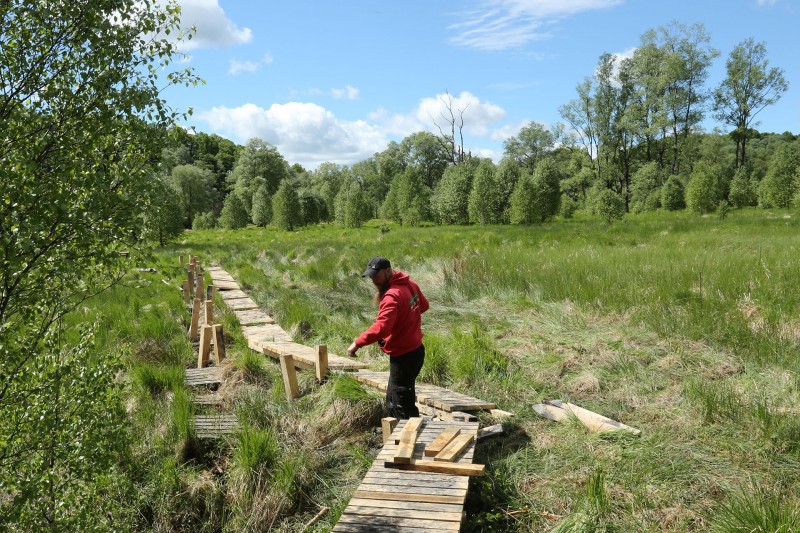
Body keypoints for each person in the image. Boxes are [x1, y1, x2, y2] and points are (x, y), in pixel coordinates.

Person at [347, 256, 429, 419]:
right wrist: (406, 322)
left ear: (387, 271)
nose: (373, 280)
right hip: (416, 351)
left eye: (376, 275)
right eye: (371, 276)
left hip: (403, 357)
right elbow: (423, 306)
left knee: (402, 405)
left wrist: (357, 343)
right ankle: (393, 431)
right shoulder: (410, 284)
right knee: (393, 398)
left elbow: (382, 328)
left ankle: (409, 439)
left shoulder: (392, 296)